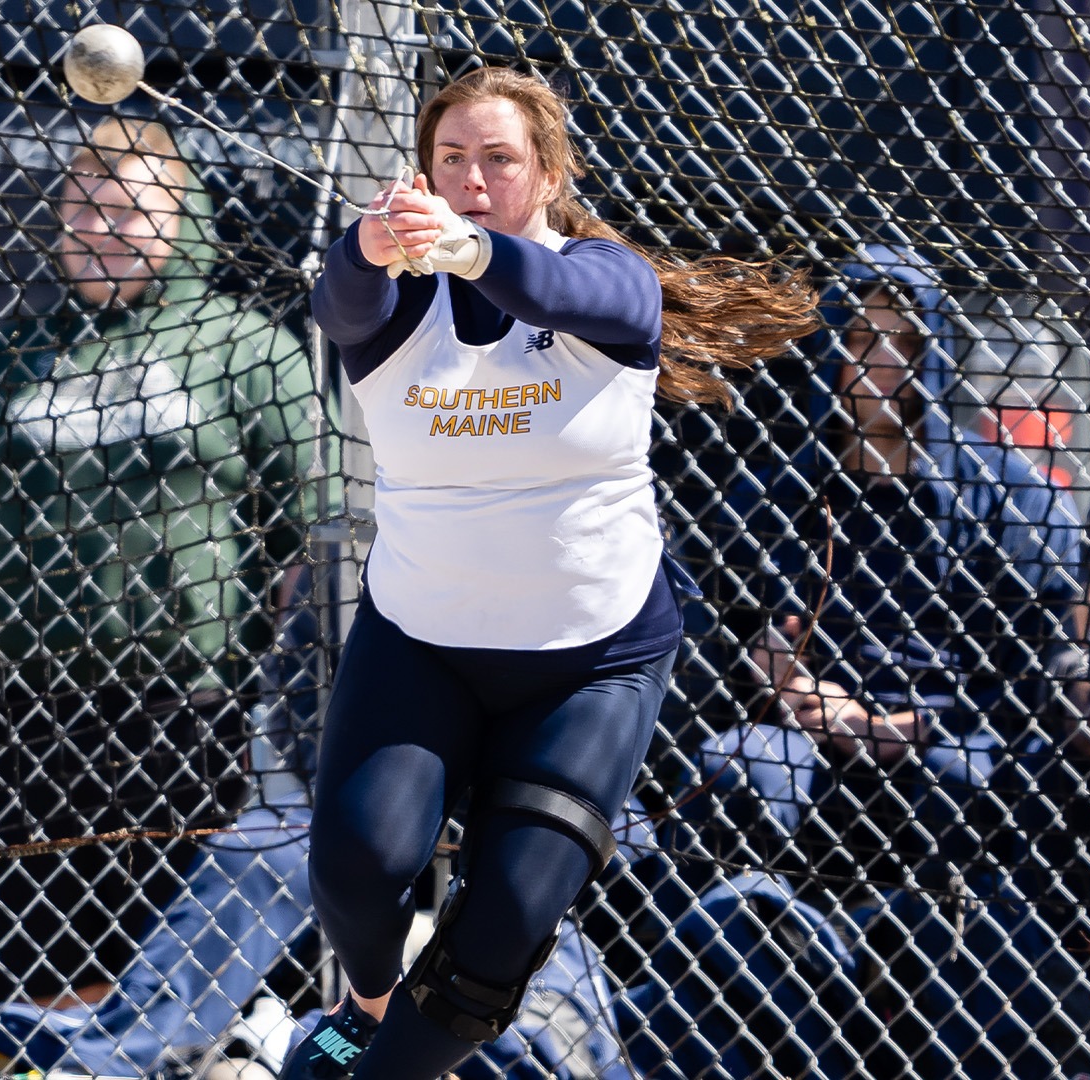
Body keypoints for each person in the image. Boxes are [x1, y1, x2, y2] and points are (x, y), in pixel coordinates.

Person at [289, 65, 816, 1080]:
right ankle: (365, 1009)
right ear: (422, 170)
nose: (474, 177)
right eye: (452, 160)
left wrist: (478, 249)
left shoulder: (606, 277)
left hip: (591, 660)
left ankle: (368, 1068)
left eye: (499, 159)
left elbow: (563, 287)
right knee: (358, 869)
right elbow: (339, 301)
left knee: (499, 938)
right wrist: (369, 242)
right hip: (425, 640)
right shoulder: (399, 298)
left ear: (546, 172)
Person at [0, 115, 320, 1006]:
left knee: (190, 966)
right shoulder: (3, 359)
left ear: (183, 217)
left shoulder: (246, 347)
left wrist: (297, 713)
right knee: (37, 967)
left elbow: (306, 548)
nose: (101, 230)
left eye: (129, 211)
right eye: (83, 207)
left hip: (195, 715)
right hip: (18, 716)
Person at [672, 246, 1090, 1077]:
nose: (881, 364)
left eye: (902, 342)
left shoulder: (1004, 491)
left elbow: (1028, 679)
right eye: (862, 341)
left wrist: (904, 727)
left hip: (951, 739)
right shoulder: (784, 490)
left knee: (989, 785)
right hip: (812, 737)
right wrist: (776, 674)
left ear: (935, 350)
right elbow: (742, 638)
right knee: (731, 769)